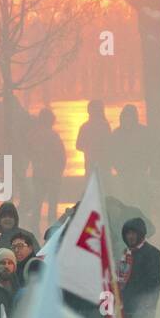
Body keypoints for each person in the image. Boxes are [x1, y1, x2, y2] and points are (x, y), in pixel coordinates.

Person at [119, 218, 160, 318]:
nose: (130, 237)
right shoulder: (124, 253)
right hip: (124, 308)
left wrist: (142, 307)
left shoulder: (153, 253)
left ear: (141, 234)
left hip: (142, 309)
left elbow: (153, 283)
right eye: (128, 233)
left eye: (133, 233)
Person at [28, 108, 66, 237]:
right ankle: (52, 228)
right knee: (52, 203)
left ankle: (34, 226)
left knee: (37, 201)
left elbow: (31, 153)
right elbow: (61, 155)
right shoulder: (53, 136)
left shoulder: (34, 135)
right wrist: (60, 170)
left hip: (39, 173)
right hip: (52, 174)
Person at [75, 99, 112, 180]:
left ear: (89, 111)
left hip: (90, 164)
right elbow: (110, 145)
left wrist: (89, 148)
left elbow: (78, 146)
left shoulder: (85, 127)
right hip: (103, 164)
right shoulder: (105, 126)